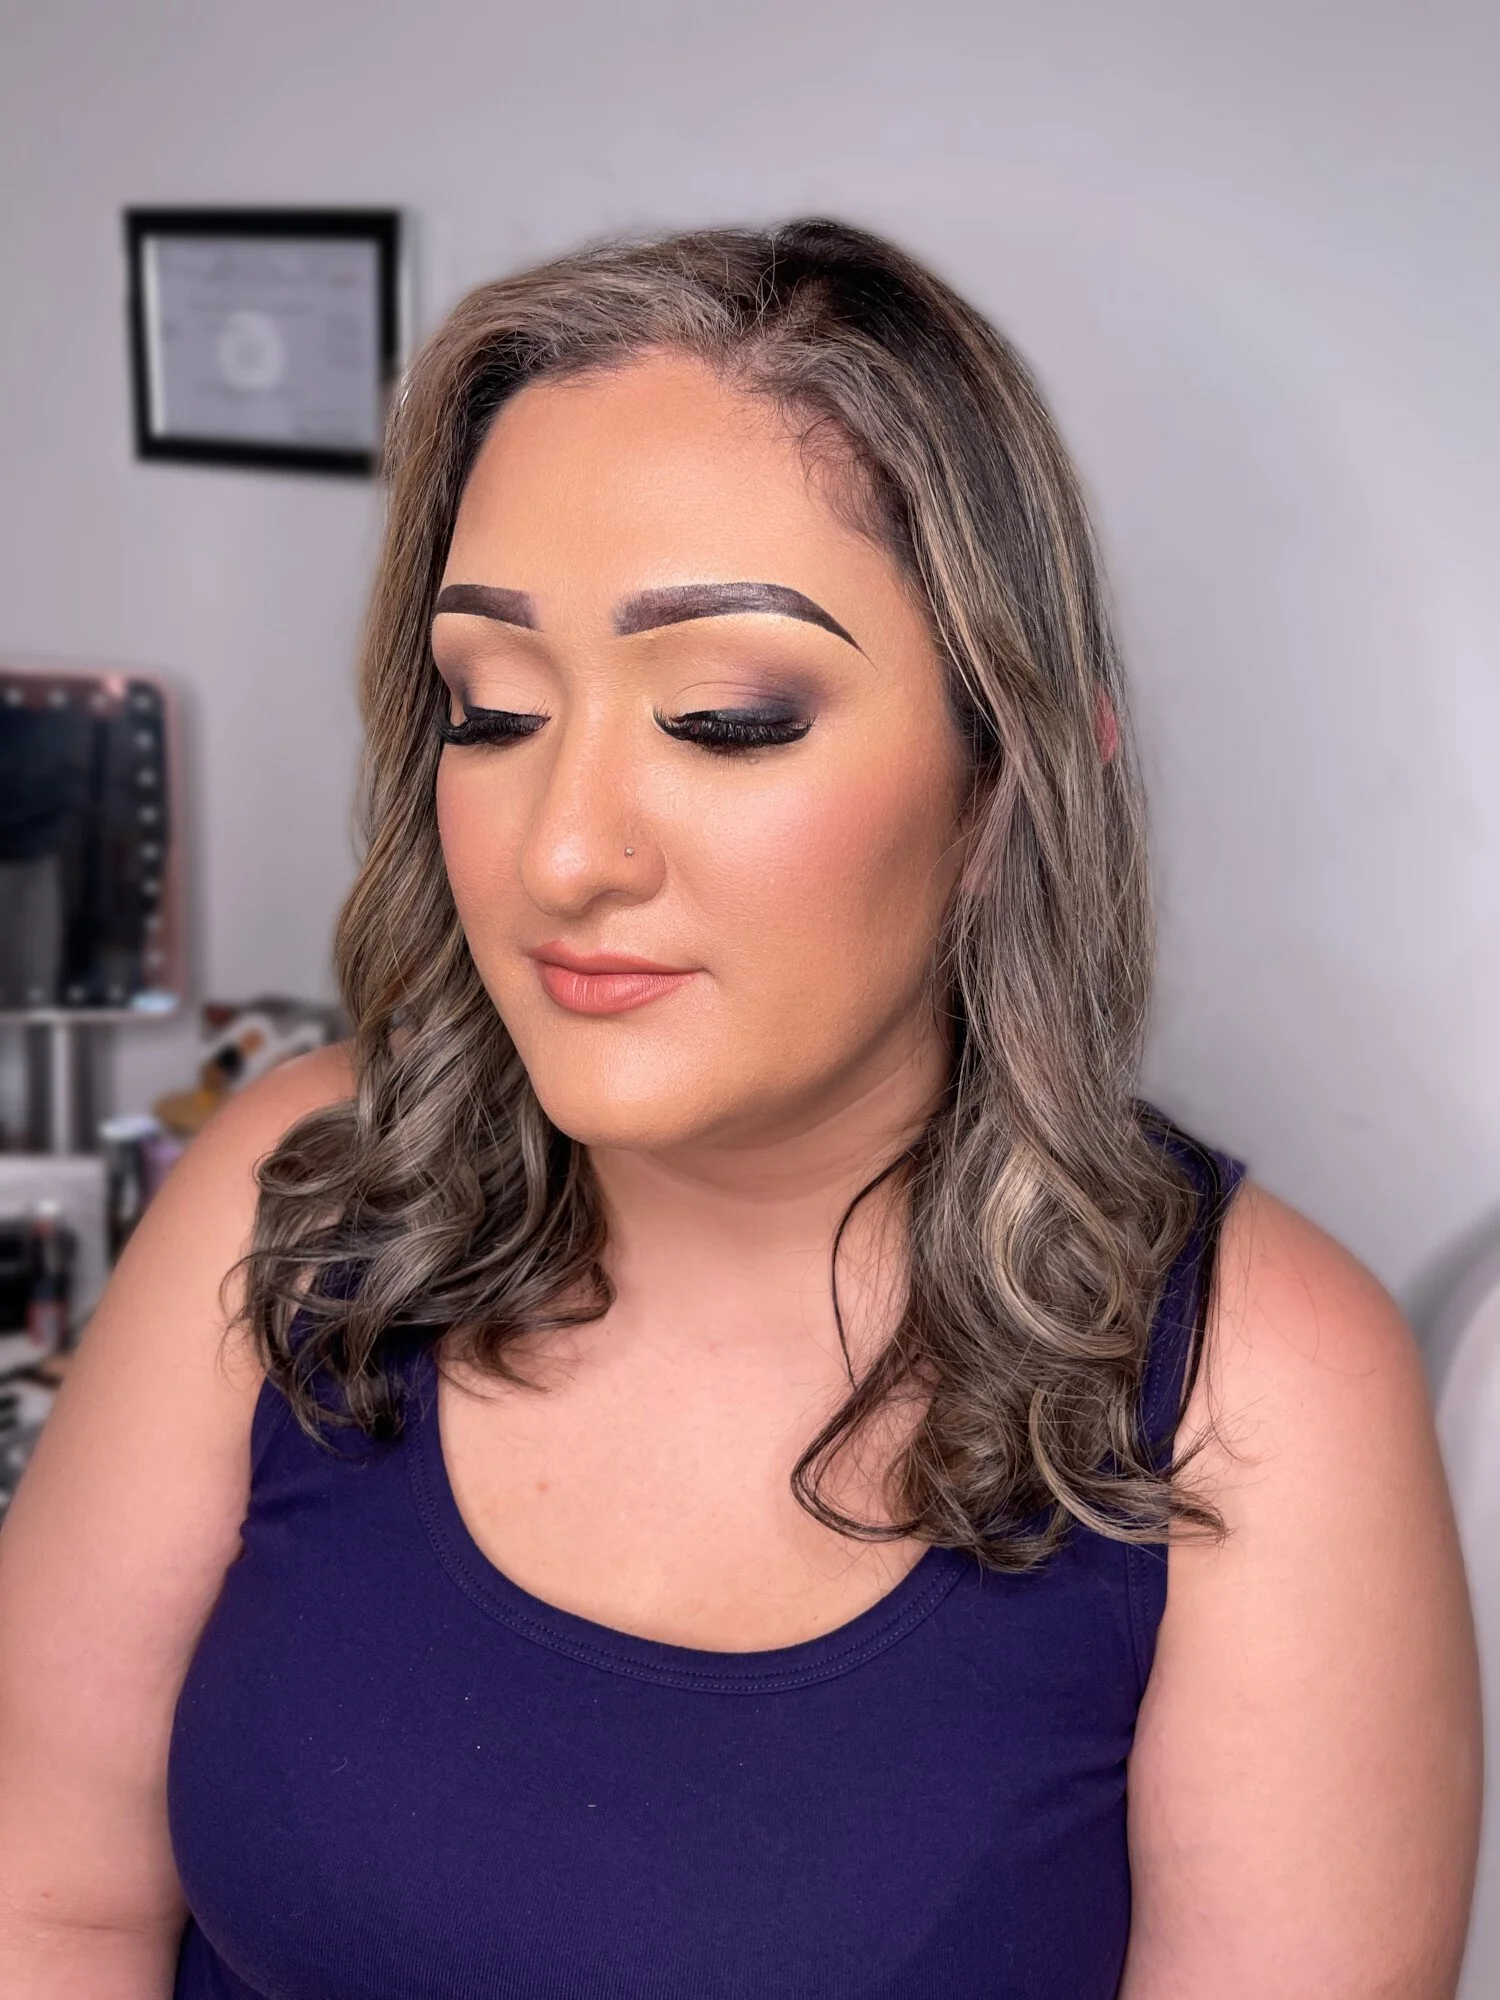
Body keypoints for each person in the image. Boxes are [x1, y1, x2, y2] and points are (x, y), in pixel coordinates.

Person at [0, 219, 1479, 1999]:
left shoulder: (1263, 1387)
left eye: (723, 717)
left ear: (1008, 774)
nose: (561, 853)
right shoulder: (295, 1189)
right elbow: (46, 1901)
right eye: (492, 709)